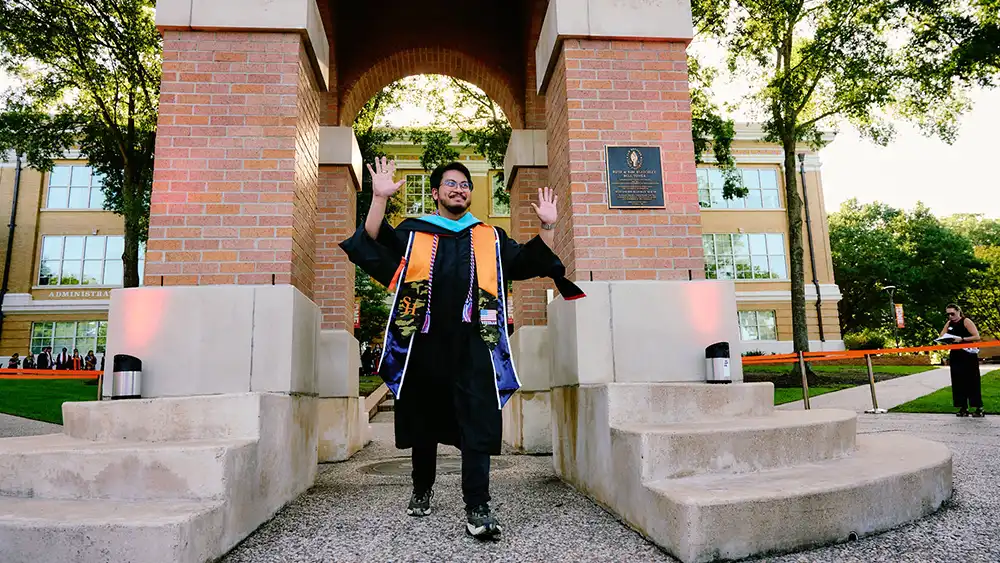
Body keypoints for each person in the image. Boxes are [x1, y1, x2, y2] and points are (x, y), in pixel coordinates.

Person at [340, 158, 583, 540]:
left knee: (477, 422)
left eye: (465, 184)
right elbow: (369, 240)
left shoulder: (488, 236)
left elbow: (527, 261)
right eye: (450, 183)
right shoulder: (414, 233)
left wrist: (548, 226)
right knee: (423, 421)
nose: (459, 188)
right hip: (423, 344)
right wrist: (379, 198)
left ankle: (478, 505)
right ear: (436, 193)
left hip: (475, 346)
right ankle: (422, 486)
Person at [940, 304, 983, 417]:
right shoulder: (949, 323)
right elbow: (942, 335)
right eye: (948, 314)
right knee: (958, 381)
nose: (950, 316)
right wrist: (946, 340)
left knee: (972, 380)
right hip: (955, 354)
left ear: (958, 311)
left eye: (952, 313)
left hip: (968, 354)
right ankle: (963, 407)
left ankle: (978, 407)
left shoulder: (966, 321)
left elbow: (976, 336)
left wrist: (962, 339)